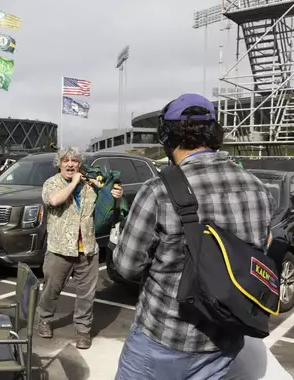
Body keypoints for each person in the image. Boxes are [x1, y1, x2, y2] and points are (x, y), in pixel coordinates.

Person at [113, 94, 275, 380]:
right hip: (225, 339)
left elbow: (127, 267)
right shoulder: (258, 188)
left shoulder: (158, 190)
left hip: (163, 341)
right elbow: (262, 248)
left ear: (167, 136)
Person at [36, 146, 123, 349]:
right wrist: (74, 182)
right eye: (66, 160)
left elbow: (108, 212)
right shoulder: (51, 183)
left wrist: (116, 199)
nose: (70, 164)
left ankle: (83, 330)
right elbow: (54, 200)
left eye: (74, 161)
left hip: (88, 248)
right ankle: (44, 319)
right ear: (59, 163)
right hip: (60, 249)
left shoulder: (90, 185)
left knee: (86, 294)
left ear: (79, 164)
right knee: (51, 290)